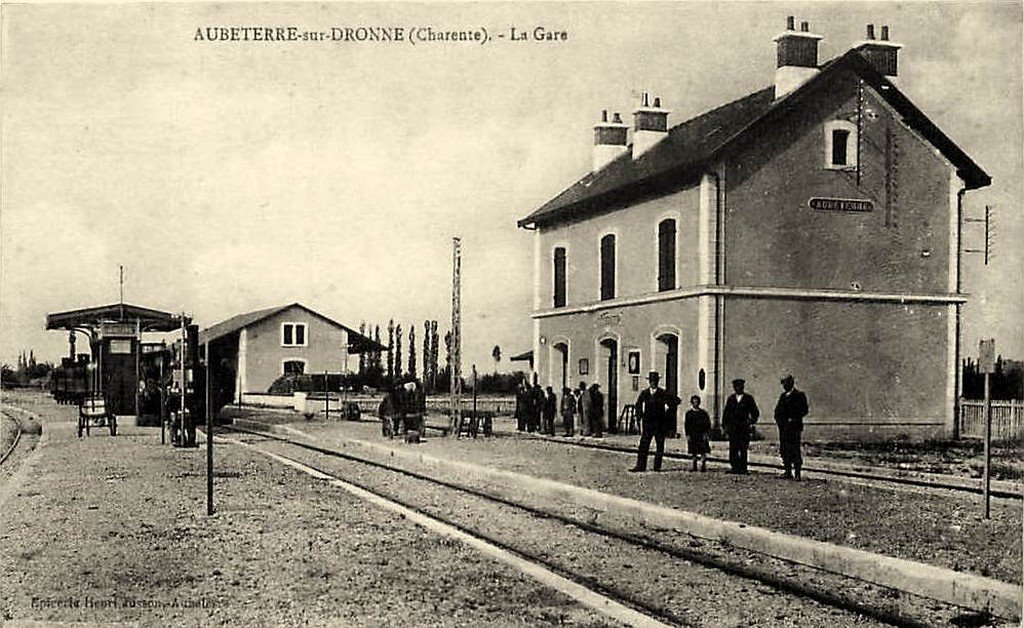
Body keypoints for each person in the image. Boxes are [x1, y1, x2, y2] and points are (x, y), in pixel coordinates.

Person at [630, 372, 680, 472]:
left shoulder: (663, 393)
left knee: (660, 445)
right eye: (652, 381)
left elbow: (676, 400)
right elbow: (638, 405)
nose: (653, 383)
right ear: (649, 382)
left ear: (657, 381)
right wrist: (639, 416)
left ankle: (657, 466)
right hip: (648, 423)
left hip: (659, 423)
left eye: (655, 381)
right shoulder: (645, 393)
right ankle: (640, 466)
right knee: (643, 445)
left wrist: (668, 412)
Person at [774, 374, 809, 480]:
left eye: (786, 383)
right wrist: (779, 421)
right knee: (784, 449)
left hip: (794, 428)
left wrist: (793, 418)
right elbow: (777, 411)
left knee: (794, 449)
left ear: (791, 383)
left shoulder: (799, 395)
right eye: (783, 384)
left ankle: (797, 473)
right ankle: (787, 471)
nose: (784, 386)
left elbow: (804, 410)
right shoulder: (783, 396)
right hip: (784, 428)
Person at [722, 378, 759, 474]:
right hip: (733, 427)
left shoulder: (748, 398)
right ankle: (734, 467)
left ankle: (743, 468)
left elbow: (755, 412)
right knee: (733, 448)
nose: (738, 388)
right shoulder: (731, 399)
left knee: (743, 448)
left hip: (743, 427)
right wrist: (725, 427)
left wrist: (751, 422)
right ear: (734, 388)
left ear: (743, 387)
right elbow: (726, 414)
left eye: (740, 386)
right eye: (736, 387)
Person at [684, 395, 712, 472]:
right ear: (692, 403)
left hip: (701, 434)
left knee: (703, 450)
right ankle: (694, 465)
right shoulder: (689, 413)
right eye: (694, 402)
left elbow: (707, 424)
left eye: (697, 402)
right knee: (694, 451)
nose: (695, 403)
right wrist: (688, 434)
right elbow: (687, 425)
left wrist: (706, 433)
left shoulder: (703, 413)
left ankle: (703, 465)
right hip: (693, 434)